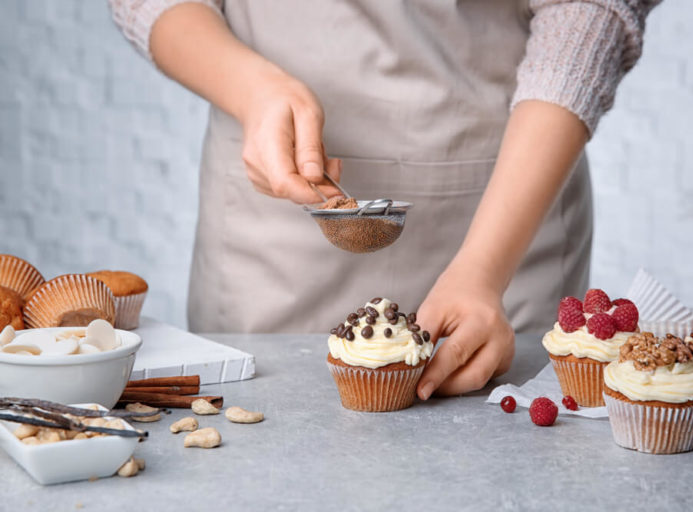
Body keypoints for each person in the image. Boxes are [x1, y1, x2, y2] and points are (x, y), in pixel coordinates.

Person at [109, 0, 660, 400]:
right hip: (274, 232)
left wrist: (484, 270)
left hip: (507, 199)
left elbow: (591, 9)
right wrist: (250, 88)